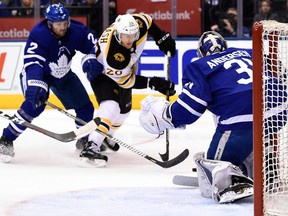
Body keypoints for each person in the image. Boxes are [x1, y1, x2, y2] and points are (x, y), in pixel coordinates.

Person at [139, 31, 254, 203]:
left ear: (201, 52)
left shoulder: (200, 65)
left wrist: (166, 115)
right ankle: (264, 166)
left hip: (240, 114)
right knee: (228, 118)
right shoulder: (247, 52)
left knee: (211, 169)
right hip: (276, 112)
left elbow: (190, 109)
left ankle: (231, 181)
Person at [0, 3, 96, 163]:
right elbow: (33, 62)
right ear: (50, 24)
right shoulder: (39, 34)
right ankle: (6, 139)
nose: (63, 27)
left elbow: (94, 46)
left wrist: (91, 59)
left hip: (63, 74)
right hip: (41, 74)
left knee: (85, 107)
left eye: (65, 23)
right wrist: (35, 82)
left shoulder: (76, 31)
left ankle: (84, 140)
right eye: (59, 24)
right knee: (34, 105)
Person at [80, 13, 176, 167]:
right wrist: (155, 84)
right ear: (118, 35)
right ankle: (91, 145)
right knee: (111, 107)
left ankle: (106, 136)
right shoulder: (115, 56)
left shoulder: (138, 24)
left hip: (124, 72)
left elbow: (148, 20)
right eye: (126, 36)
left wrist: (161, 37)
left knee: (124, 113)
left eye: (133, 35)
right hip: (102, 73)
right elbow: (126, 82)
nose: (130, 40)